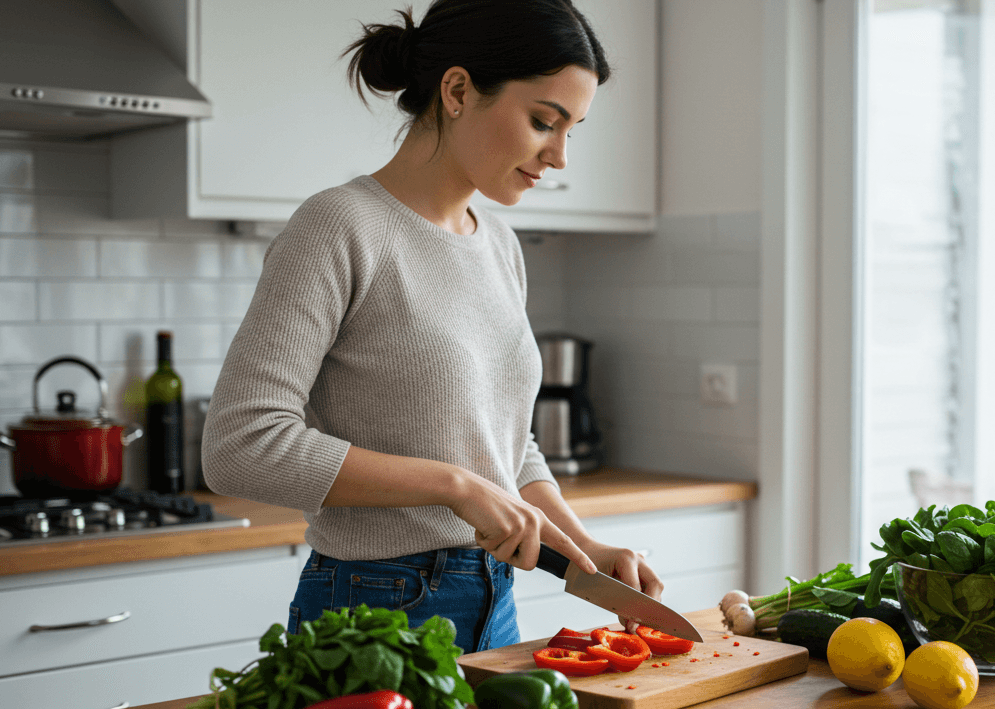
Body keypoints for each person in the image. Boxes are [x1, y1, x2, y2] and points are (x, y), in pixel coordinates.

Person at [201, 0, 664, 654]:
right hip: (374, 607)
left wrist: (583, 547)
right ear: (456, 90)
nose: (559, 156)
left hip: (493, 600)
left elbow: (501, 442)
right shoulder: (339, 227)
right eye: (543, 121)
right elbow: (239, 444)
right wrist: (454, 486)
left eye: (572, 130)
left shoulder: (499, 245)